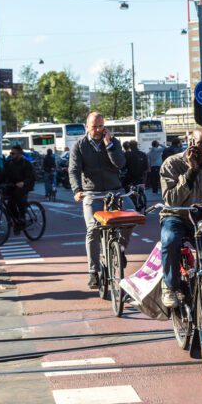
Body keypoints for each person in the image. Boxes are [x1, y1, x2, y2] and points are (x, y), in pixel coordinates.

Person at [159, 126, 202, 307]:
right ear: (191, 142)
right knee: (170, 240)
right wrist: (190, 172)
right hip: (175, 215)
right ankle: (170, 286)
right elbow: (171, 200)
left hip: (200, 217)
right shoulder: (172, 164)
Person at [69, 112, 130, 289]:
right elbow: (73, 170)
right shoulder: (79, 146)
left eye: (101, 126)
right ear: (86, 126)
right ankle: (93, 271)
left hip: (115, 190)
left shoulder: (113, 142)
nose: (97, 130)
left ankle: (121, 249)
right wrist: (77, 190)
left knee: (132, 218)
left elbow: (120, 164)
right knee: (93, 229)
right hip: (92, 193)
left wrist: (109, 145)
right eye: (94, 126)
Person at [2, 145, 35, 235]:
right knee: (9, 204)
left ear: (20, 154)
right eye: (11, 153)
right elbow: (3, 175)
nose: (11, 155)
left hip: (25, 185)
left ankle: (22, 217)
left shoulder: (26, 164)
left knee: (19, 197)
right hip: (13, 185)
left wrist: (23, 183)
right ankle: (17, 221)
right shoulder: (9, 163)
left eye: (13, 153)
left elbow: (30, 177)